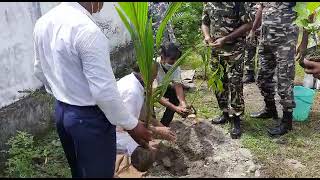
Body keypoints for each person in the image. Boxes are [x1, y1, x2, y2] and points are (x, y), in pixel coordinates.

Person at [33, 2, 152, 178]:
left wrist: (64, 94)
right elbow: (104, 93)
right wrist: (132, 125)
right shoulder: (88, 31)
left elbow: (39, 69)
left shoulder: (43, 22)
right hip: (90, 119)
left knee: (79, 171)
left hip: (62, 111)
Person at [201, 2, 253, 139]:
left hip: (235, 50)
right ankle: (224, 112)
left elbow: (248, 24)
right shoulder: (208, 3)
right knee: (218, 82)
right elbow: (205, 22)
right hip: (215, 51)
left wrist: (226, 39)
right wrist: (206, 36)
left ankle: (236, 119)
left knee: (235, 83)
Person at [115, 62, 176, 173]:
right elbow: (127, 124)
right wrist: (155, 131)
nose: (155, 79)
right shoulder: (132, 92)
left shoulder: (132, 80)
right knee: (145, 159)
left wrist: (159, 127)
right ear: (144, 73)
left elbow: (141, 115)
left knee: (148, 141)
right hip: (114, 132)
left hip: (121, 125)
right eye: (153, 76)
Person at [249, 2, 298, 136]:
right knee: (262, 78)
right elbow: (261, 8)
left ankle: (287, 122)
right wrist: (253, 30)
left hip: (285, 43)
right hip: (266, 41)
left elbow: (308, 15)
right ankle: (270, 109)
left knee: (284, 82)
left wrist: (303, 44)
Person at [155, 43, 190, 127]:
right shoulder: (154, 65)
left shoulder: (175, 67)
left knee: (175, 95)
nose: (174, 62)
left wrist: (183, 104)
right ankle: (152, 125)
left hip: (161, 88)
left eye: (176, 60)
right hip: (149, 92)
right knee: (148, 107)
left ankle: (164, 124)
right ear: (162, 57)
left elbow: (178, 86)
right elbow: (154, 94)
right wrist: (175, 108)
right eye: (172, 59)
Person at [243, 3, 259, 84]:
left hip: (263, 28)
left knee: (262, 52)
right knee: (249, 50)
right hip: (249, 28)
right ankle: (249, 73)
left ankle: (261, 75)